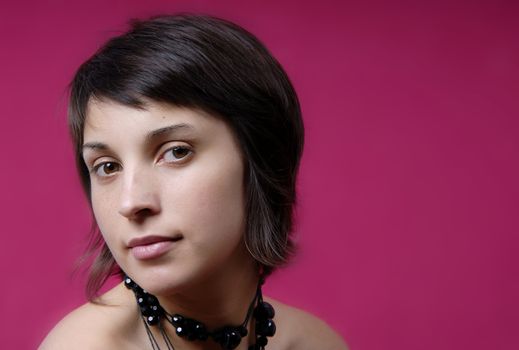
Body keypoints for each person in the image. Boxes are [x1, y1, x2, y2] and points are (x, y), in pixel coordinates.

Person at [40, 14, 347, 350]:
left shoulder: (316, 342)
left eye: (175, 152)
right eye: (108, 166)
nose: (131, 203)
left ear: (260, 157)